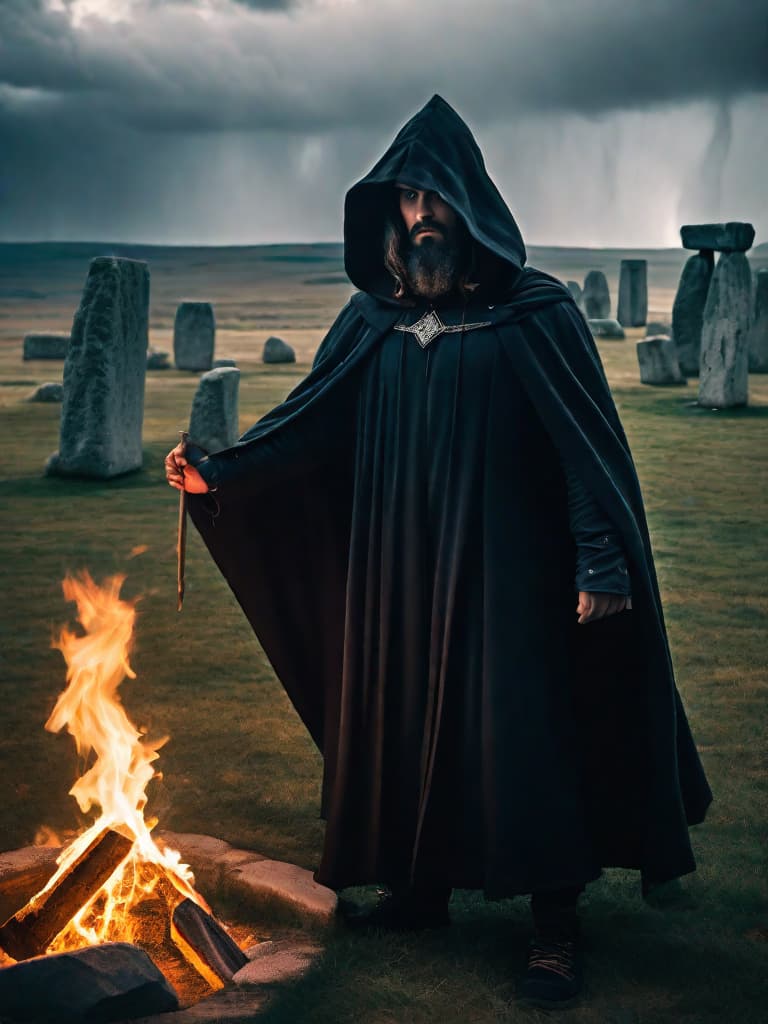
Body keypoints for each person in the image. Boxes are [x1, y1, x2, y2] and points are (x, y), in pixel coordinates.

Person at [165, 95, 712, 1009]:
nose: (420, 216)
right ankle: (420, 894)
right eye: (407, 198)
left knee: (525, 737)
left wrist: (600, 565)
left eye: (434, 199)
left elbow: (583, 451)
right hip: (400, 576)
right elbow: (312, 424)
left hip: (512, 578)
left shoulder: (536, 312)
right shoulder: (374, 319)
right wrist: (223, 475)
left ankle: (552, 924)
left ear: (470, 204)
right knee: (405, 723)